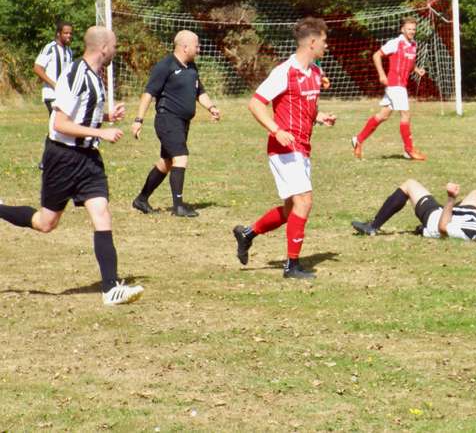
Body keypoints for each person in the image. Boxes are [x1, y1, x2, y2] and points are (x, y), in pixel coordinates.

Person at [0, 26, 144, 306]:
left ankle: (110, 288)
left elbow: (82, 113)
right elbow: (60, 123)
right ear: (103, 48)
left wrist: (105, 116)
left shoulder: (95, 76)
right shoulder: (75, 74)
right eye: (114, 45)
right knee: (46, 223)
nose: (116, 50)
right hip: (63, 158)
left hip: (88, 159)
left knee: (102, 213)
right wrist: (100, 133)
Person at [232, 17, 336, 279]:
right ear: (312, 42)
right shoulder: (283, 72)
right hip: (284, 149)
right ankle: (292, 266)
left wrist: (319, 117)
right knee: (305, 201)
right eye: (324, 41)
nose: (327, 45)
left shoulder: (314, 72)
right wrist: (276, 130)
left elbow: (303, 107)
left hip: (302, 147)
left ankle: (248, 233)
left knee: (292, 209)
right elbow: (256, 104)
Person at [130, 30, 221, 217]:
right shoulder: (165, 66)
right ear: (185, 47)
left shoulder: (191, 67)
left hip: (182, 122)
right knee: (181, 157)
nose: (199, 48)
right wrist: (138, 119)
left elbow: (199, 92)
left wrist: (211, 107)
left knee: (166, 162)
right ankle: (178, 206)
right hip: (167, 119)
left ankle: (141, 199)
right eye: (197, 45)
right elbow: (149, 93)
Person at [351, 16, 427, 160]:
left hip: (401, 84)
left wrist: (416, 69)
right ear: (402, 29)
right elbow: (376, 55)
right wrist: (381, 75)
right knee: (406, 114)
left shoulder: (413, 44)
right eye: (409, 29)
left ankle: (358, 139)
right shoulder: (395, 43)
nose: (412, 31)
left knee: (383, 115)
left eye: (413, 29)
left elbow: (409, 63)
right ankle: (409, 150)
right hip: (395, 84)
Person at [351, 179, 476, 241]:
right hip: (463, 215)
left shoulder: (472, 230)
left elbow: (443, 227)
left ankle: (373, 226)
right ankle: (454, 209)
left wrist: (450, 199)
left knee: (409, 184)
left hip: (435, 218)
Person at [33, 20, 74, 115]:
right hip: (51, 93)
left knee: (61, 126)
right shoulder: (50, 48)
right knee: (57, 124)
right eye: (66, 33)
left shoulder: (69, 51)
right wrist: (54, 85)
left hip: (64, 94)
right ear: (58, 34)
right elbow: (37, 68)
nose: (69, 35)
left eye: (70, 33)